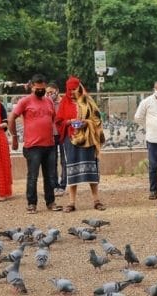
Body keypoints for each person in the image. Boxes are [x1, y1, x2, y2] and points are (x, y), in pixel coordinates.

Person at [8, 74, 62, 214]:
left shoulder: (49, 101)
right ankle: (32, 204)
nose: (40, 90)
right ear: (32, 87)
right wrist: (14, 137)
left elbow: (55, 120)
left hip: (49, 144)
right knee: (32, 176)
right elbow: (12, 118)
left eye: (43, 88)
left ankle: (51, 202)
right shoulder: (24, 101)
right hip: (32, 146)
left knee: (50, 175)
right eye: (38, 88)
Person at [55, 76, 106, 212]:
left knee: (91, 169)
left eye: (74, 89)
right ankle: (71, 202)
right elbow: (59, 121)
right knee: (71, 169)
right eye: (69, 89)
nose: (72, 92)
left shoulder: (88, 101)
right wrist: (69, 122)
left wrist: (86, 123)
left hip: (88, 140)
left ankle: (96, 200)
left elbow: (97, 118)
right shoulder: (64, 102)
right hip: (71, 139)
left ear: (80, 87)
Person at [46, 82, 67, 197]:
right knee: (52, 161)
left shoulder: (64, 102)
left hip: (63, 134)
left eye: (51, 92)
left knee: (64, 161)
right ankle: (55, 185)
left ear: (57, 91)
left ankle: (63, 184)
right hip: (51, 135)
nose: (49, 94)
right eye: (47, 93)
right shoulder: (46, 103)